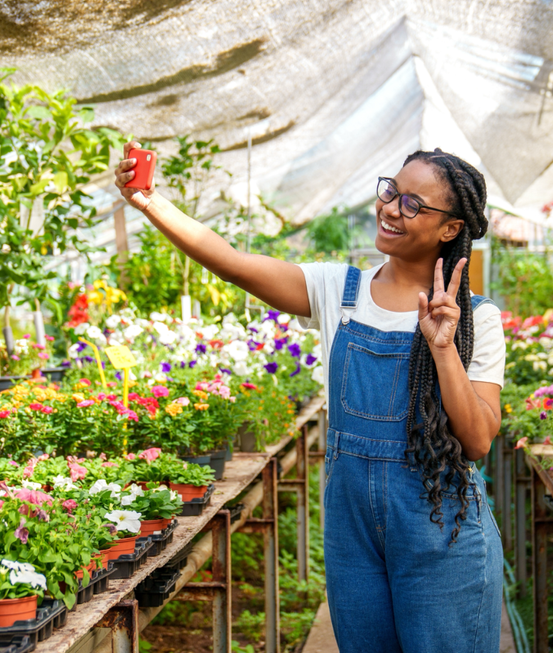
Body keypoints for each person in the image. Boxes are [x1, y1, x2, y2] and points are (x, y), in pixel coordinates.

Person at [114, 143, 504, 652]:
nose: (390, 208)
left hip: (440, 533)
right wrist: (147, 201)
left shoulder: (475, 318)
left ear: (450, 228)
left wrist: (443, 348)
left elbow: (476, 441)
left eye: (413, 204)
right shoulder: (339, 293)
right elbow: (233, 263)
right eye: (392, 191)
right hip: (353, 536)